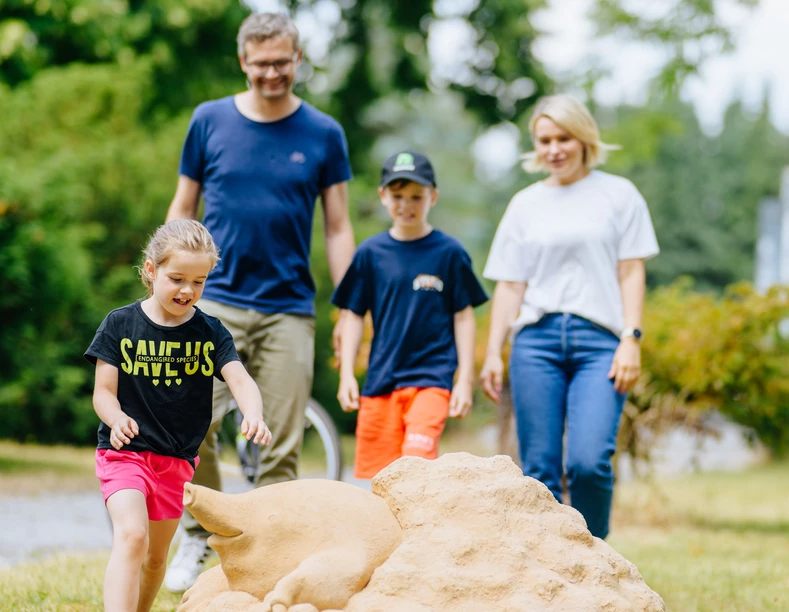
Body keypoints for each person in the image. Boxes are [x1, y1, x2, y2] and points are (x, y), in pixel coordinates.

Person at [163, 12, 355, 592]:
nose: (272, 73)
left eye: (282, 62)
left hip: (289, 308)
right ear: (243, 62)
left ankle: (269, 566)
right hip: (212, 300)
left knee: (280, 444)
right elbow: (182, 207)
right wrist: (168, 288)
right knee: (192, 425)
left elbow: (339, 226)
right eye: (261, 63)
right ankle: (203, 531)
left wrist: (350, 307)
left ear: (298, 60)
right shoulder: (209, 121)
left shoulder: (324, 133)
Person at [478, 94, 659, 540]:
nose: (554, 148)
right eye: (544, 140)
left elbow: (631, 270)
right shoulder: (525, 204)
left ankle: (596, 560)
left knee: (588, 461)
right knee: (538, 467)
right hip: (535, 343)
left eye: (563, 138)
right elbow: (510, 284)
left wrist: (631, 338)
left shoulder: (618, 195)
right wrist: (493, 352)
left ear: (583, 139)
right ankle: (548, 569)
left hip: (600, 342)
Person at [85, 220, 273, 612]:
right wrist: (117, 418)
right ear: (151, 271)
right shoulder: (120, 324)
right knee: (132, 537)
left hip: (175, 463)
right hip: (126, 453)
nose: (188, 290)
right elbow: (103, 393)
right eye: (177, 278)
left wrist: (253, 413)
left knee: (156, 558)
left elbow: (239, 379)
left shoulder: (211, 332)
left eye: (199, 282)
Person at [333, 150, 490, 479]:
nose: (407, 204)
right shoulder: (370, 254)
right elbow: (353, 315)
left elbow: (463, 317)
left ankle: (423, 532)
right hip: (380, 383)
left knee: (416, 465)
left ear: (432, 196)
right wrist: (347, 373)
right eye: (397, 195)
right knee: (377, 480)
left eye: (417, 196)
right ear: (382, 196)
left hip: (432, 379)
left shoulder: (449, 253)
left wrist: (464, 380)